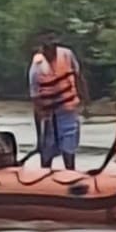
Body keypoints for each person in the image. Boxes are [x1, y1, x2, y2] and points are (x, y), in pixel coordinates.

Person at [28, 31, 88, 170]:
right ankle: (45, 178)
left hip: (68, 111)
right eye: (47, 47)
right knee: (47, 151)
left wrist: (86, 101)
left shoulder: (67, 55)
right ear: (43, 48)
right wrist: (39, 136)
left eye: (53, 46)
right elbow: (36, 100)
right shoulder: (36, 67)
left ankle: (70, 174)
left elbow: (79, 77)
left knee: (69, 148)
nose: (51, 50)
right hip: (48, 115)